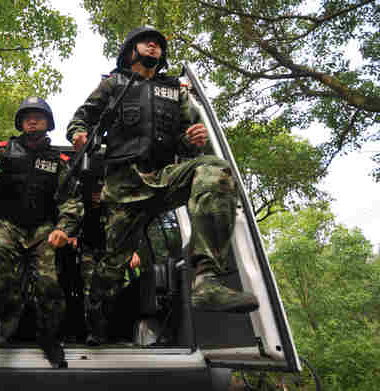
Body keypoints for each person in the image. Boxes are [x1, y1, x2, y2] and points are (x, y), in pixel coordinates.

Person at [66, 26, 259, 345]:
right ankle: (95, 320)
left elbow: (190, 139)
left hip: (164, 179)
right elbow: (81, 118)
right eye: (146, 42)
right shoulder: (113, 84)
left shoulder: (177, 91)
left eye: (158, 44)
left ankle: (207, 280)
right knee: (111, 268)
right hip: (124, 188)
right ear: (131, 51)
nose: (154, 45)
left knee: (216, 170)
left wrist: (194, 138)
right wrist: (78, 134)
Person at [0, 96, 83, 368]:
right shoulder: (1, 152)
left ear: (48, 123)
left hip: (42, 229)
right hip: (7, 223)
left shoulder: (59, 161)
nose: (33, 120)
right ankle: (6, 319)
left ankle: (48, 337)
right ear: (21, 123)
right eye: (27, 116)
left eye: (39, 116)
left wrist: (64, 228)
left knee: (49, 284)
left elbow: (70, 200)